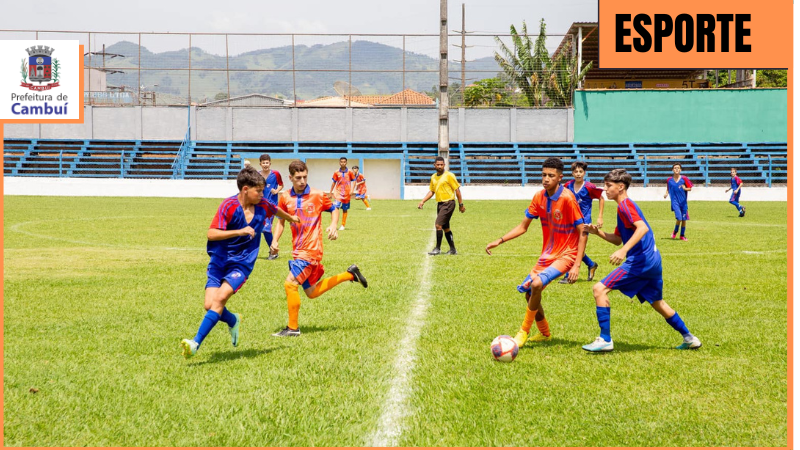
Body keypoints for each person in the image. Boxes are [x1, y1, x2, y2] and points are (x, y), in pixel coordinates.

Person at [180, 167, 299, 359]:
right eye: (258, 191)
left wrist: (291, 218)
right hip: (219, 262)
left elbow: (274, 209)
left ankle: (195, 343)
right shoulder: (228, 206)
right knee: (209, 304)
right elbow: (212, 234)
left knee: (219, 300)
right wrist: (240, 231)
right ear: (245, 189)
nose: (262, 194)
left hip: (241, 264)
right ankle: (233, 319)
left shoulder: (262, 204)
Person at [582, 168, 702, 352]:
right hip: (652, 261)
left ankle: (605, 339)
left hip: (641, 261)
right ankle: (689, 338)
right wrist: (597, 232)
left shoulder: (626, 206)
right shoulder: (623, 208)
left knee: (599, 289)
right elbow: (617, 239)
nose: (605, 189)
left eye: (609, 186)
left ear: (621, 187)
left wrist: (624, 251)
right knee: (658, 303)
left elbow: (642, 228)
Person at [485, 157, 588, 347]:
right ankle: (545, 333)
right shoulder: (539, 197)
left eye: (551, 175)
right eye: (543, 175)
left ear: (560, 178)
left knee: (537, 284)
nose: (546, 179)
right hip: (547, 255)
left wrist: (577, 264)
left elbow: (583, 231)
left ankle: (522, 332)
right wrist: (499, 240)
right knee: (529, 293)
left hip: (567, 253)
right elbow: (523, 227)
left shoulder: (567, 198)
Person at [271, 160, 368, 337]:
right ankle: (350, 274)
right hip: (297, 249)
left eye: (304, 177)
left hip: (311, 250)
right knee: (312, 292)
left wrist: (333, 225)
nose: (302, 181)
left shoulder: (317, 194)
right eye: (298, 177)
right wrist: (275, 240)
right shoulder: (284, 197)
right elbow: (281, 221)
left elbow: (333, 208)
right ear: (290, 178)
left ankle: (292, 328)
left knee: (290, 283)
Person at [559, 161, 605, 284]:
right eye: (576, 171)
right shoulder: (568, 185)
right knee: (573, 247)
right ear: (572, 173)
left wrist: (600, 217)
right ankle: (591, 264)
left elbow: (601, 198)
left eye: (580, 171)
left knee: (573, 247)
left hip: (584, 222)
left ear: (584, 173)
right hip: (571, 220)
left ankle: (568, 275)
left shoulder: (589, 186)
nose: (578, 174)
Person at [417, 156, 465, 255]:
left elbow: (457, 190)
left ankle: (437, 249)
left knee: (438, 225)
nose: (439, 166)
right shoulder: (433, 177)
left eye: (441, 164)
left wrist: (461, 204)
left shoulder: (449, 175)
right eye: (438, 164)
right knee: (445, 227)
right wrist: (422, 201)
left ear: (444, 165)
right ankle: (452, 250)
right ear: (434, 165)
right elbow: (432, 191)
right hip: (440, 204)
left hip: (448, 203)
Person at [257, 154, 284, 260]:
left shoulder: (276, 174)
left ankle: (273, 251)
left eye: (267, 162)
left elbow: (281, 184)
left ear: (270, 163)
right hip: (259, 205)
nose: (265, 165)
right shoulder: (257, 175)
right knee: (257, 228)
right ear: (260, 164)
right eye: (263, 163)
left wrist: (277, 190)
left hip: (271, 205)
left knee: (266, 229)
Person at [664, 163, 693, 241]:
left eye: (678, 168)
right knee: (679, 218)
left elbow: (690, 188)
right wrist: (666, 193)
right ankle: (675, 232)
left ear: (680, 170)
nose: (676, 169)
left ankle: (682, 235)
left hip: (683, 202)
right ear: (672, 170)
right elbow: (668, 188)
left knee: (684, 219)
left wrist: (685, 188)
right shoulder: (669, 180)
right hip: (675, 202)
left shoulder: (684, 178)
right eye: (675, 168)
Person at [330, 157, 356, 230]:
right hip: (338, 193)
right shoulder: (336, 172)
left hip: (347, 194)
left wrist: (352, 190)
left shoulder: (350, 172)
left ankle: (343, 225)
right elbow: (333, 183)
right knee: (335, 208)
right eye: (341, 162)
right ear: (339, 162)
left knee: (345, 209)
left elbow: (354, 181)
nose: (343, 163)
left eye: (344, 162)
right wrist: (330, 192)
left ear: (346, 162)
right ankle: (334, 224)